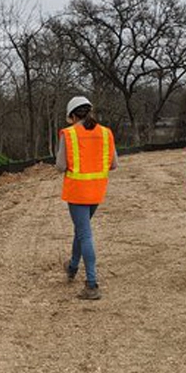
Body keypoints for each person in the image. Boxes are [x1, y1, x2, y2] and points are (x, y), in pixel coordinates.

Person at [55, 96, 118, 300]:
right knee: (82, 230)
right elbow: (114, 164)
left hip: (77, 192)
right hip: (96, 191)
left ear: (72, 115)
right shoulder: (105, 132)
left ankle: (92, 284)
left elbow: (60, 166)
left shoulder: (69, 134)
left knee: (85, 233)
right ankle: (72, 266)